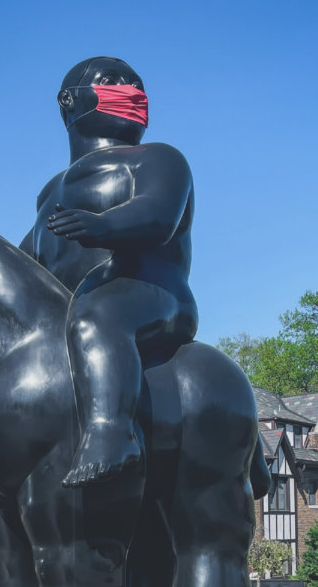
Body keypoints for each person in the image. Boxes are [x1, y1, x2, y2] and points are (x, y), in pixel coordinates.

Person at [20, 57, 198, 487]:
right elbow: (28, 258)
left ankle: (111, 433)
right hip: (70, 314)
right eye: (112, 81)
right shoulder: (49, 192)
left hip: (150, 294)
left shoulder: (159, 159)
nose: (131, 89)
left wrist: (104, 226)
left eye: (136, 82)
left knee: (97, 309)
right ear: (69, 102)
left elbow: (158, 215)